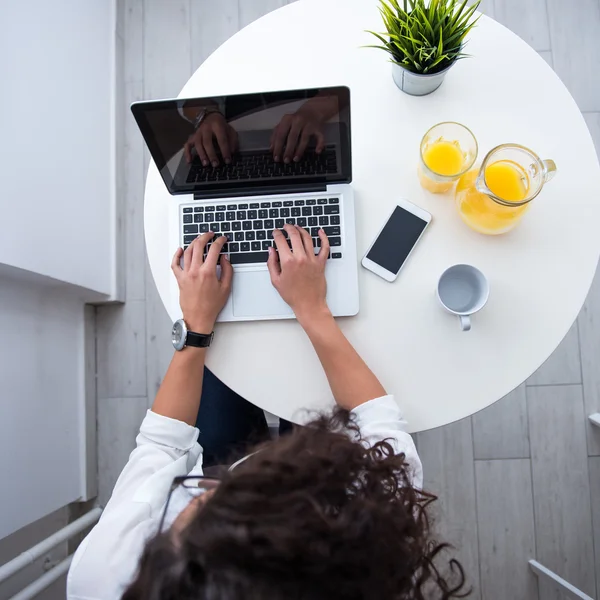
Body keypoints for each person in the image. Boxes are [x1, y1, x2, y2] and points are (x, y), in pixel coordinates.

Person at [66, 226, 468, 599]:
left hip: (226, 458)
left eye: (196, 508)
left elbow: (161, 444)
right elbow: (377, 421)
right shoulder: (376, 529)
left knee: (228, 360)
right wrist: (312, 310)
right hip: (327, 478)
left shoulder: (103, 576)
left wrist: (196, 323)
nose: (206, 493)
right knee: (313, 409)